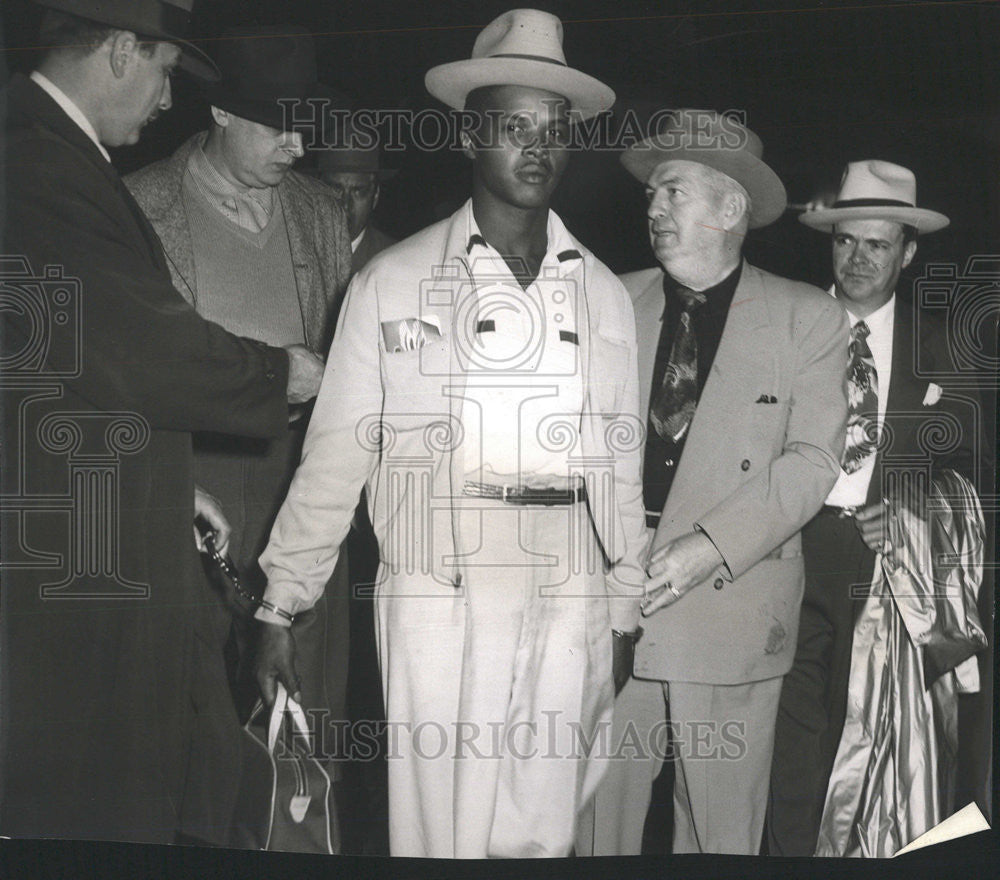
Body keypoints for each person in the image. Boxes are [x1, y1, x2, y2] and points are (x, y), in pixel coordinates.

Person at [254, 9, 648, 858]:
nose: (536, 148)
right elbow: (337, 454)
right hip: (442, 584)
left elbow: (622, 469)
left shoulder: (606, 296)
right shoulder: (393, 282)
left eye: (554, 130)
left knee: (545, 834)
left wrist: (623, 610)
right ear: (472, 136)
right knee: (441, 836)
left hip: (570, 580)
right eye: (513, 127)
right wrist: (281, 601)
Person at [0, 0, 325, 844]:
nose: (166, 97)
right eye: (166, 71)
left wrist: (170, 486)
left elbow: (56, 369)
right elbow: (137, 348)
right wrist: (282, 371)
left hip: (98, 514)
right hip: (66, 572)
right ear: (117, 50)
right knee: (89, 800)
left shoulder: (50, 152)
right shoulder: (35, 160)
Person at [580, 109, 850, 855]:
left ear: (730, 209)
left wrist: (707, 547)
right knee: (597, 828)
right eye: (652, 194)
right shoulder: (605, 300)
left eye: (673, 191)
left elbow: (812, 462)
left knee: (719, 836)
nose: (652, 207)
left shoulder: (808, 319)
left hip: (730, 607)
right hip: (610, 603)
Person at [125, 24, 353, 791]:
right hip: (191, 483)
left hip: (302, 486)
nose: (295, 142)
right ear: (220, 113)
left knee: (301, 713)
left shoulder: (321, 210)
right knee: (192, 717)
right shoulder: (139, 206)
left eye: (304, 125)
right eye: (274, 122)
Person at [767, 160, 982, 856]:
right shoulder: (785, 325)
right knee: (787, 761)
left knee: (875, 762)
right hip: (787, 558)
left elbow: (976, 478)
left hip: (890, 577)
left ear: (909, 252)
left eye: (877, 245)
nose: (857, 260)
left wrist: (916, 514)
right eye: (845, 242)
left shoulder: (946, 347)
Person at [318, 128, 398, 275]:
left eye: (358, 191)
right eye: (336, 189)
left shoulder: (394, 260)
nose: (345, 205)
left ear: (375, 197)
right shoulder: (290, 248)